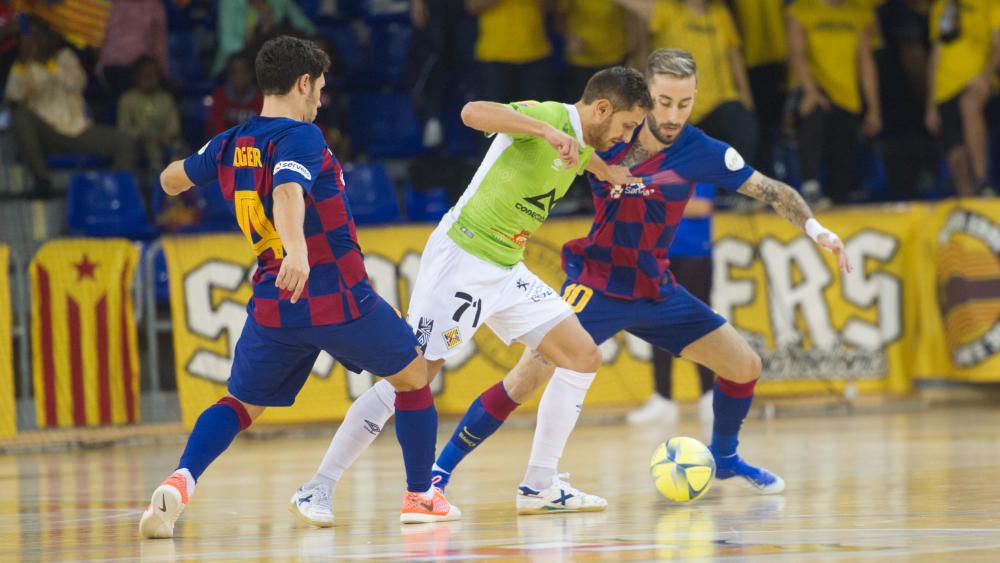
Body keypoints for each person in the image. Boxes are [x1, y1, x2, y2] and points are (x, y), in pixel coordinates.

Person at [419, 48, 854, 509]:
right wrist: (551, 136)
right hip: (597, 283)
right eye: (664, 101)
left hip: (655, 289)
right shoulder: (609, 133)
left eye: (684, 104)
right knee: (524, 381)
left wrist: (816, 229)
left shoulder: (702, 151)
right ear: (646, 95)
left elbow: (772, 189)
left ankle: (724, 458)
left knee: (744, 365)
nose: (672, 114)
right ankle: (438, 474)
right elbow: (529, 127)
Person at [289, 66, 653, 525]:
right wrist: (543, 130)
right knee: (412, 376)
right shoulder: (547, 118)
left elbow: (583, 155)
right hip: (462, 256)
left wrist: (609, 171)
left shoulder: (581, 142)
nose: (626, 136)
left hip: (504, 267)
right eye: (625, 126)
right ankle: (318, 486)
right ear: (602, 108)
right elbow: (471, 112)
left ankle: (540, 484)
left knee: (582, 355)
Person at [139, 36, 458, 540]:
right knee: (414, 377)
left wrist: (207, 163)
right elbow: (289, 189)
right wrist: (298, 251)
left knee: (241, 405)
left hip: (274, 304)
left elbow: (170, 180)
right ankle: (421, 495)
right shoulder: (302, 137)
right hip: (335, 294)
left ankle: (182, 480)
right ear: (303, 83)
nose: (321, 99)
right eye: (320, 89)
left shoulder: (233, 142)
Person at [615, 0, 759, 167]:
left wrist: (747, 99)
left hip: (718, 105)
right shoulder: (665, 10)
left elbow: (734, 57)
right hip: (675, 111)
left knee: (744, 126)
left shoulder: (720, 14)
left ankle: (732, 190)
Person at [4, 19, 135, 198]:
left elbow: (76, 82)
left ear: (51, 37)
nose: (34, 41)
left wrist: (48, 64)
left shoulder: (65, 57)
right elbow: (13, 97)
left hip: (78, 130)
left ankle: (115, 194)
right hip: (46, 134)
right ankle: (42, 181)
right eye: (30, 36)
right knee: (19, 114)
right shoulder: (22, 65)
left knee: (123, 141)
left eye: (38, 35)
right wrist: (23, 63)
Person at [626, 183, 716, 426]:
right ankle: (663, 397)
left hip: (694, 253)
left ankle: (709, 394)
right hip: (657, 253)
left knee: (700, 323)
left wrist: (658, 200)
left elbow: (702, 207)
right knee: (656, 322)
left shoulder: (696, 159)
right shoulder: (649, 164)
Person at [787, 0, 882, 205]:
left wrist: (874, 109)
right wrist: (812, 91)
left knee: (842, 168)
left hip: (847, 99)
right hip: (812, 91)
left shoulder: (858, 14)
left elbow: (866, 62)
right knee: (812, 111)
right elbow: (797, 55)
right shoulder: (800, 10)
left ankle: (838, 205)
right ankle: (810, 185)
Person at [925, 0, 1000, 197]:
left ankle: (983, 180)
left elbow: (998, 45)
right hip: (944, 89)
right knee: (956, 163)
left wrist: (985, 77)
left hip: (975, 81)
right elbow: (936, 53)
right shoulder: (941, 6)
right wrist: (930, 104)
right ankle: (968, 212)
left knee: (969, 105)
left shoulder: (991, 3)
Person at [467, 0, 554, 103]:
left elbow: (552, 6)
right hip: (494, 56)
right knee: (495, 115)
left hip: (535, 54)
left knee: (536, 115)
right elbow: (472, 6)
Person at [117, 56, 184, 175]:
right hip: (139, 142)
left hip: (164, 139)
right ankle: (155, 186)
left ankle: (181, 188)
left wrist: (166, 136)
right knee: (151, 148)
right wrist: (144, 135)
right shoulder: (127, 99)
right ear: (136, 77)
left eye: (154, 75)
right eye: (146, 75)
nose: (150, 79)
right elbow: (124, 128)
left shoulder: (165, 98)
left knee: (180, 148)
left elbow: (174, 126)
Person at [208, 51, 263, 136]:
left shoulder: (261, 99)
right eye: (234, 72)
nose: (239, 77)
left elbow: (262, 132)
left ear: (252, 74)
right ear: (228, 75)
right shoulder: (219, 97)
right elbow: (218, 131)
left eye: (244, 71)